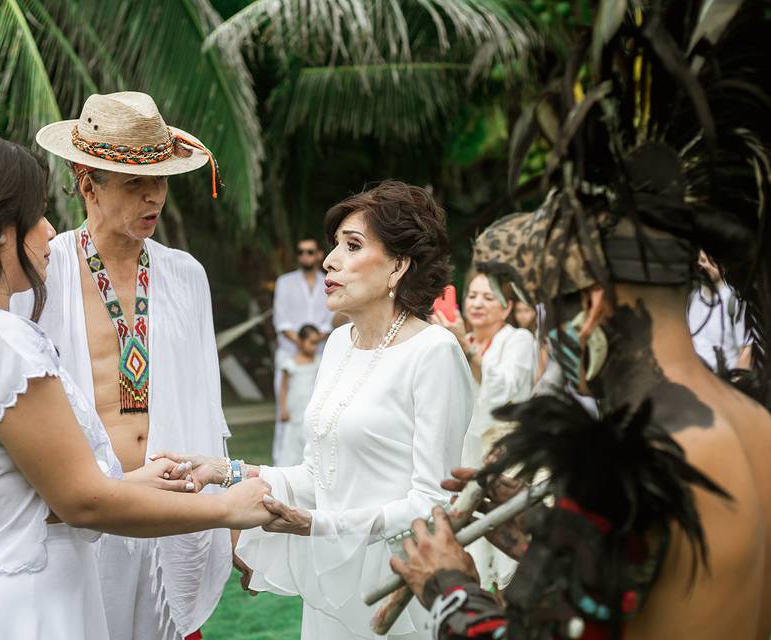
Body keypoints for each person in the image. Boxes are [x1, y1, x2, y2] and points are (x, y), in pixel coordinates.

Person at [390, 2, 771, 637]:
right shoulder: (755, 423)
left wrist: (448, 585)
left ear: (589, 308)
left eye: (550, 309)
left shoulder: (629, 466)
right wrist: (543, 533)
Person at [0, 131, 274, 639]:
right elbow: (80, 500)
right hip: (22, 597)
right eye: (36, 217)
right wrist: (227, 508)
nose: (48, 231)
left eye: (161, 183)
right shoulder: (2, 338)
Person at [157, 181, 474, 639]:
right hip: (332, 586)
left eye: (353, 245)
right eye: (334, 246)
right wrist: (228, 470)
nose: (330, 260)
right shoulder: (337, 343)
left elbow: (435, 502)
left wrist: (320, 525)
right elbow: (317, 473)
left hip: (398, 586)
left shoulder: (434, 352)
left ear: (398, 266)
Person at [431, 271, 536, 589]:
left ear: (506, 309)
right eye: (472, 296)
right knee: (471, 549)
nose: (477, 303)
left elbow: (502, 393)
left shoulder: (518, 340)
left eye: (488, 297)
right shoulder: (458, 341)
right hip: (468, 454)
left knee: (509, 549)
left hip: (508, 456)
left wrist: (465, 347)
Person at [272, 237, 335, 462]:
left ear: (319, 255)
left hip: (320, 355)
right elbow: (281, 320)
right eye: (301, 252)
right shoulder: (284, 282)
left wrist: (316, 340)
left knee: (319, 408)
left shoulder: (329, 281)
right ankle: (281, 463)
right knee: (286, 413)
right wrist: (301, 342)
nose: (305, 256)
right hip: (290, 353)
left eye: (310, 252)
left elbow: (331, 317)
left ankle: (316, 459)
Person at [688, 251, 752, 372]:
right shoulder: (692, 298)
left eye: (709, 261)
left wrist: (736, 382)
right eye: (701, 260)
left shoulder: (734, 300)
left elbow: (745, 349)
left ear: (723, 267)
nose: (703, 265)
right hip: (695, 380)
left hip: (724, 381)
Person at [275, 324, 322, 467]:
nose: (315, 347)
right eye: (311, 343)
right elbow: (283, 388)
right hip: (295, 409)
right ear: (300, 341)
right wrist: (283, 409)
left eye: (317, 343)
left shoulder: (319, 361)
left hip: (311, 407)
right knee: (292, 441)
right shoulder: (290, 364)